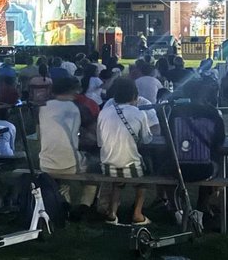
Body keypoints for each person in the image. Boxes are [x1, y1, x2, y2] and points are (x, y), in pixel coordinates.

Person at [97, 78, 153, 225]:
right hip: (131, 165)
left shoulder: (104, 112)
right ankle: (137, 213)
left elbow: (99, 141)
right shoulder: (139, 113)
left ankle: (112, 212)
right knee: (142, 183)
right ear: (135, 96)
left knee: (117, 181)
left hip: (107, 165)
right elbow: (147, 139)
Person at [166, 80, 226, 216]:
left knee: (160, 167)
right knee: (216, 159)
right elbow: (219, 142)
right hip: (205, 169)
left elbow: (168, 137)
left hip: (177, 168)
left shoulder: (175, 112)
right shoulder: (213, 114)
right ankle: (203, 204)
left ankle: (175, 205)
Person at [39, 76, 97, 212]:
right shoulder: (78, 107)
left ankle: (64, 199)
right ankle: (85, 204)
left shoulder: (43, 107)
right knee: (96, 166)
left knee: (62, 163)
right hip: (69, 163)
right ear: (74, 90)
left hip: (45, 163)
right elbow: (94, 133)